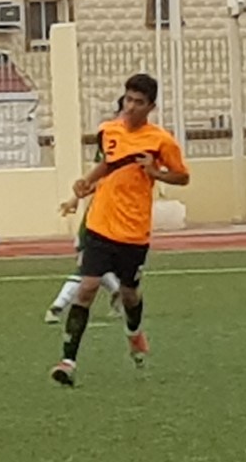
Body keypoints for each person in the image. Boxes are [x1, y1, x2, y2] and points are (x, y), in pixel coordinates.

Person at [52, 74, 189, 387]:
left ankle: (133, 333)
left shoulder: (161, 141)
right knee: (86, 288)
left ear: (150, 106)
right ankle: (67, 362)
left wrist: (154, 172)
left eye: (138, 102)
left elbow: (182, 177)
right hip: (101, 223)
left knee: (129, 294)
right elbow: (106, 164)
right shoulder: (108, 130)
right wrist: (82, 188)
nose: (130, 106)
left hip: (133, 231)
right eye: (128, 99)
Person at [44, 97, 125, 324]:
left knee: (86, 263)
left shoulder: (138, 144)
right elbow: (100, 178)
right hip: (101, 212)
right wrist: (75, 199)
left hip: (110, 216)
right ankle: (117, 289)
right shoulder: (112, 143)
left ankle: (58, 307)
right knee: (93, 262)